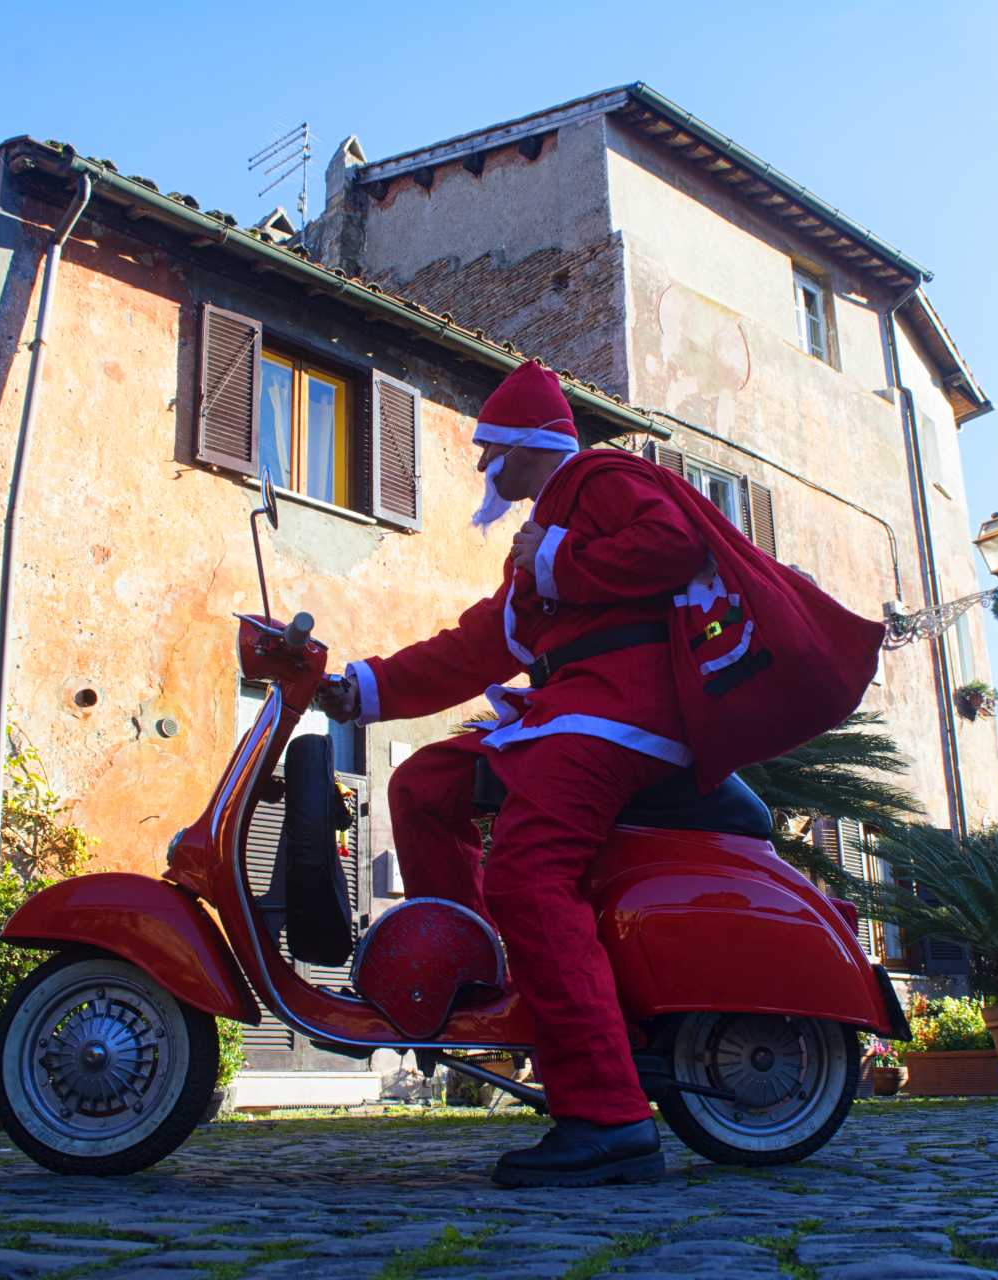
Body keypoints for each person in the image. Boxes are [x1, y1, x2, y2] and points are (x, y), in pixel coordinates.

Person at [319, 359, 708, 1187]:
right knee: (422, 785)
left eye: (492, 454)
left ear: (527, 447)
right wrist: (363, 686)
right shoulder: (541, 538)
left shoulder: (598, 477)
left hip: (622, 715)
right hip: (572, 711)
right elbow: (480, 646)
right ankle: (473, 978)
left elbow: (676, 544)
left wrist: (557, 558)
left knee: (529, 874)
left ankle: (609, 1119)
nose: (489, 474)